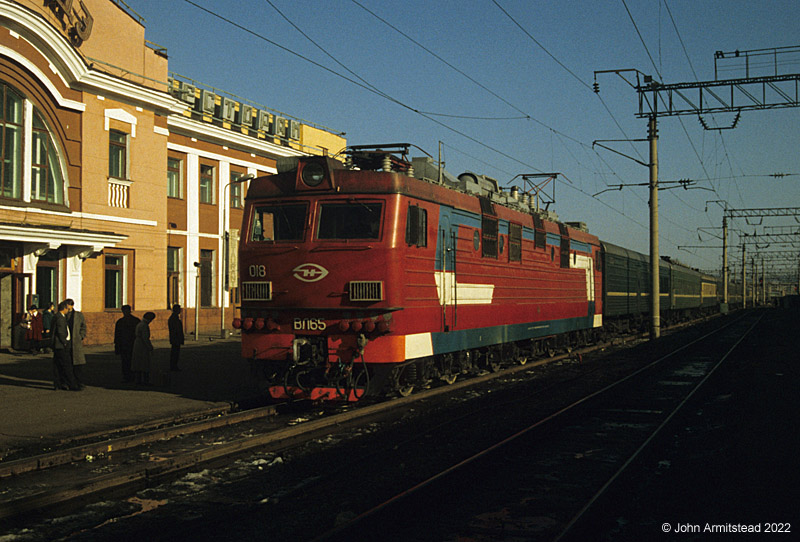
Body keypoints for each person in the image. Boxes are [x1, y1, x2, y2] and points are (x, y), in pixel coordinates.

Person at [52, 300, 79, 391]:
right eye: (67, 309)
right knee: (67, 365)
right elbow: (60, 331)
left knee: (58, 365)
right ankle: (72, 384)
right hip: (61, 345)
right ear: (64, 309)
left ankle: (58, 383)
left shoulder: (57, 316)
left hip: (57, 345)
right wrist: (64, 342)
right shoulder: (60, 318)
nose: (68, 311)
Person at [114, 305, 140, 383]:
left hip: (129, 344)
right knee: (126, 361)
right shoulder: (134, 321)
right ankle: (128, 376)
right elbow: (117, 335)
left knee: (128, 361)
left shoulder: (123, 321)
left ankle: (129, 376)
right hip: (126, 344)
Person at [65, 299, 87, 389]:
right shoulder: (64, 315)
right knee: (68, 363)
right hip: (67, 342)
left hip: (76, 342)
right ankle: (70, 382)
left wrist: (81, 336)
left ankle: (79, 381)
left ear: (72, 305)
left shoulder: (78, 315)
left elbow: (83, 326)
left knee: (78, 364)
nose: (67, 307)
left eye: (68, 305)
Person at [131, 312, 155, 385]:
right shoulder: (144, 326)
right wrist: (150, 347)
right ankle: (145, 380)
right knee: (144, 363)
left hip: (138, 344)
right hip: (142, 345)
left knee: (137, 362)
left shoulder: (140, 324)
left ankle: (137, 379)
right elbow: (145, 338)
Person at [168, 304, 184, 371]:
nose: (180, 310)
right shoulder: (174, 319)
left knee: (175, 353)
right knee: (175, 353)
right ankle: (173, 366)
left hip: (175, 338)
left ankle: (174, 365)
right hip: (176, 338)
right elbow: (176, 329)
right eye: (179, 309)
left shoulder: (174, 318)